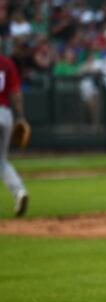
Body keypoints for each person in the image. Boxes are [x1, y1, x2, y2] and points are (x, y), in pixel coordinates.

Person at [0, 54, 28, 217]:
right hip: (5, 114)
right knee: (1, 161)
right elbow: (16, 93)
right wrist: (21, 116)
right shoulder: (7, 62)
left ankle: (19, 192)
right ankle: (19, 192)